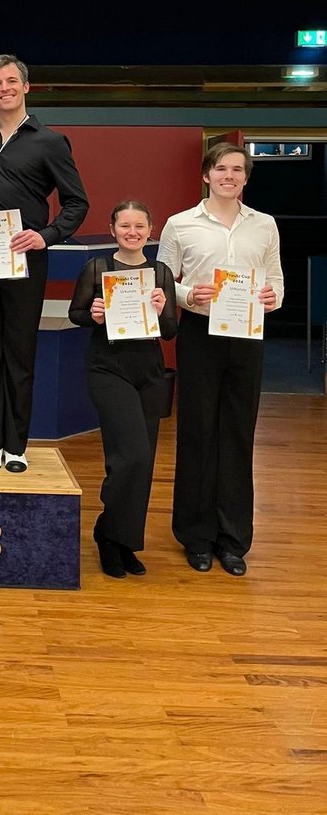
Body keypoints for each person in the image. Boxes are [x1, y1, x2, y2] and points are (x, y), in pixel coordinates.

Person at [157, 142, 283, 577]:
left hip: (247, 336)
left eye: (237, 170)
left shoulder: (264, 225)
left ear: (245, 178)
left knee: (238, 433)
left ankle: (233, 539)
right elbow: (162, 281)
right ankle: (195, 536)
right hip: (200, 334)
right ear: (206, 175)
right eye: (221, 169)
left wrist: (273, 297)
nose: (229, 176)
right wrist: (188, 294)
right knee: (197, 431)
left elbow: (276, 280)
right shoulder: (180, 224)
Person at [0, 54, 89, 473]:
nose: (4, 88)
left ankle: (16, 446)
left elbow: (77, 203)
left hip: (25, 260)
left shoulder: (50, 141)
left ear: (25, 86)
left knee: (19, 355)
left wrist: (46, 236)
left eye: (10, 81)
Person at [68, 200, 178, 578]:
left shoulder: (160, 273)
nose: (133, 232)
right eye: (125, 226)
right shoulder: (98, 268)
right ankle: (107, 533)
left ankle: (125, 540)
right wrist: (94, 315)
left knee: (143, 462)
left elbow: (170, 330)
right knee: (129, 455)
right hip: (108, 368)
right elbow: (76, 314)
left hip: (148, 372)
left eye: (139, 226)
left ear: (151, 230)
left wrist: (162, 309)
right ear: (113, 229)